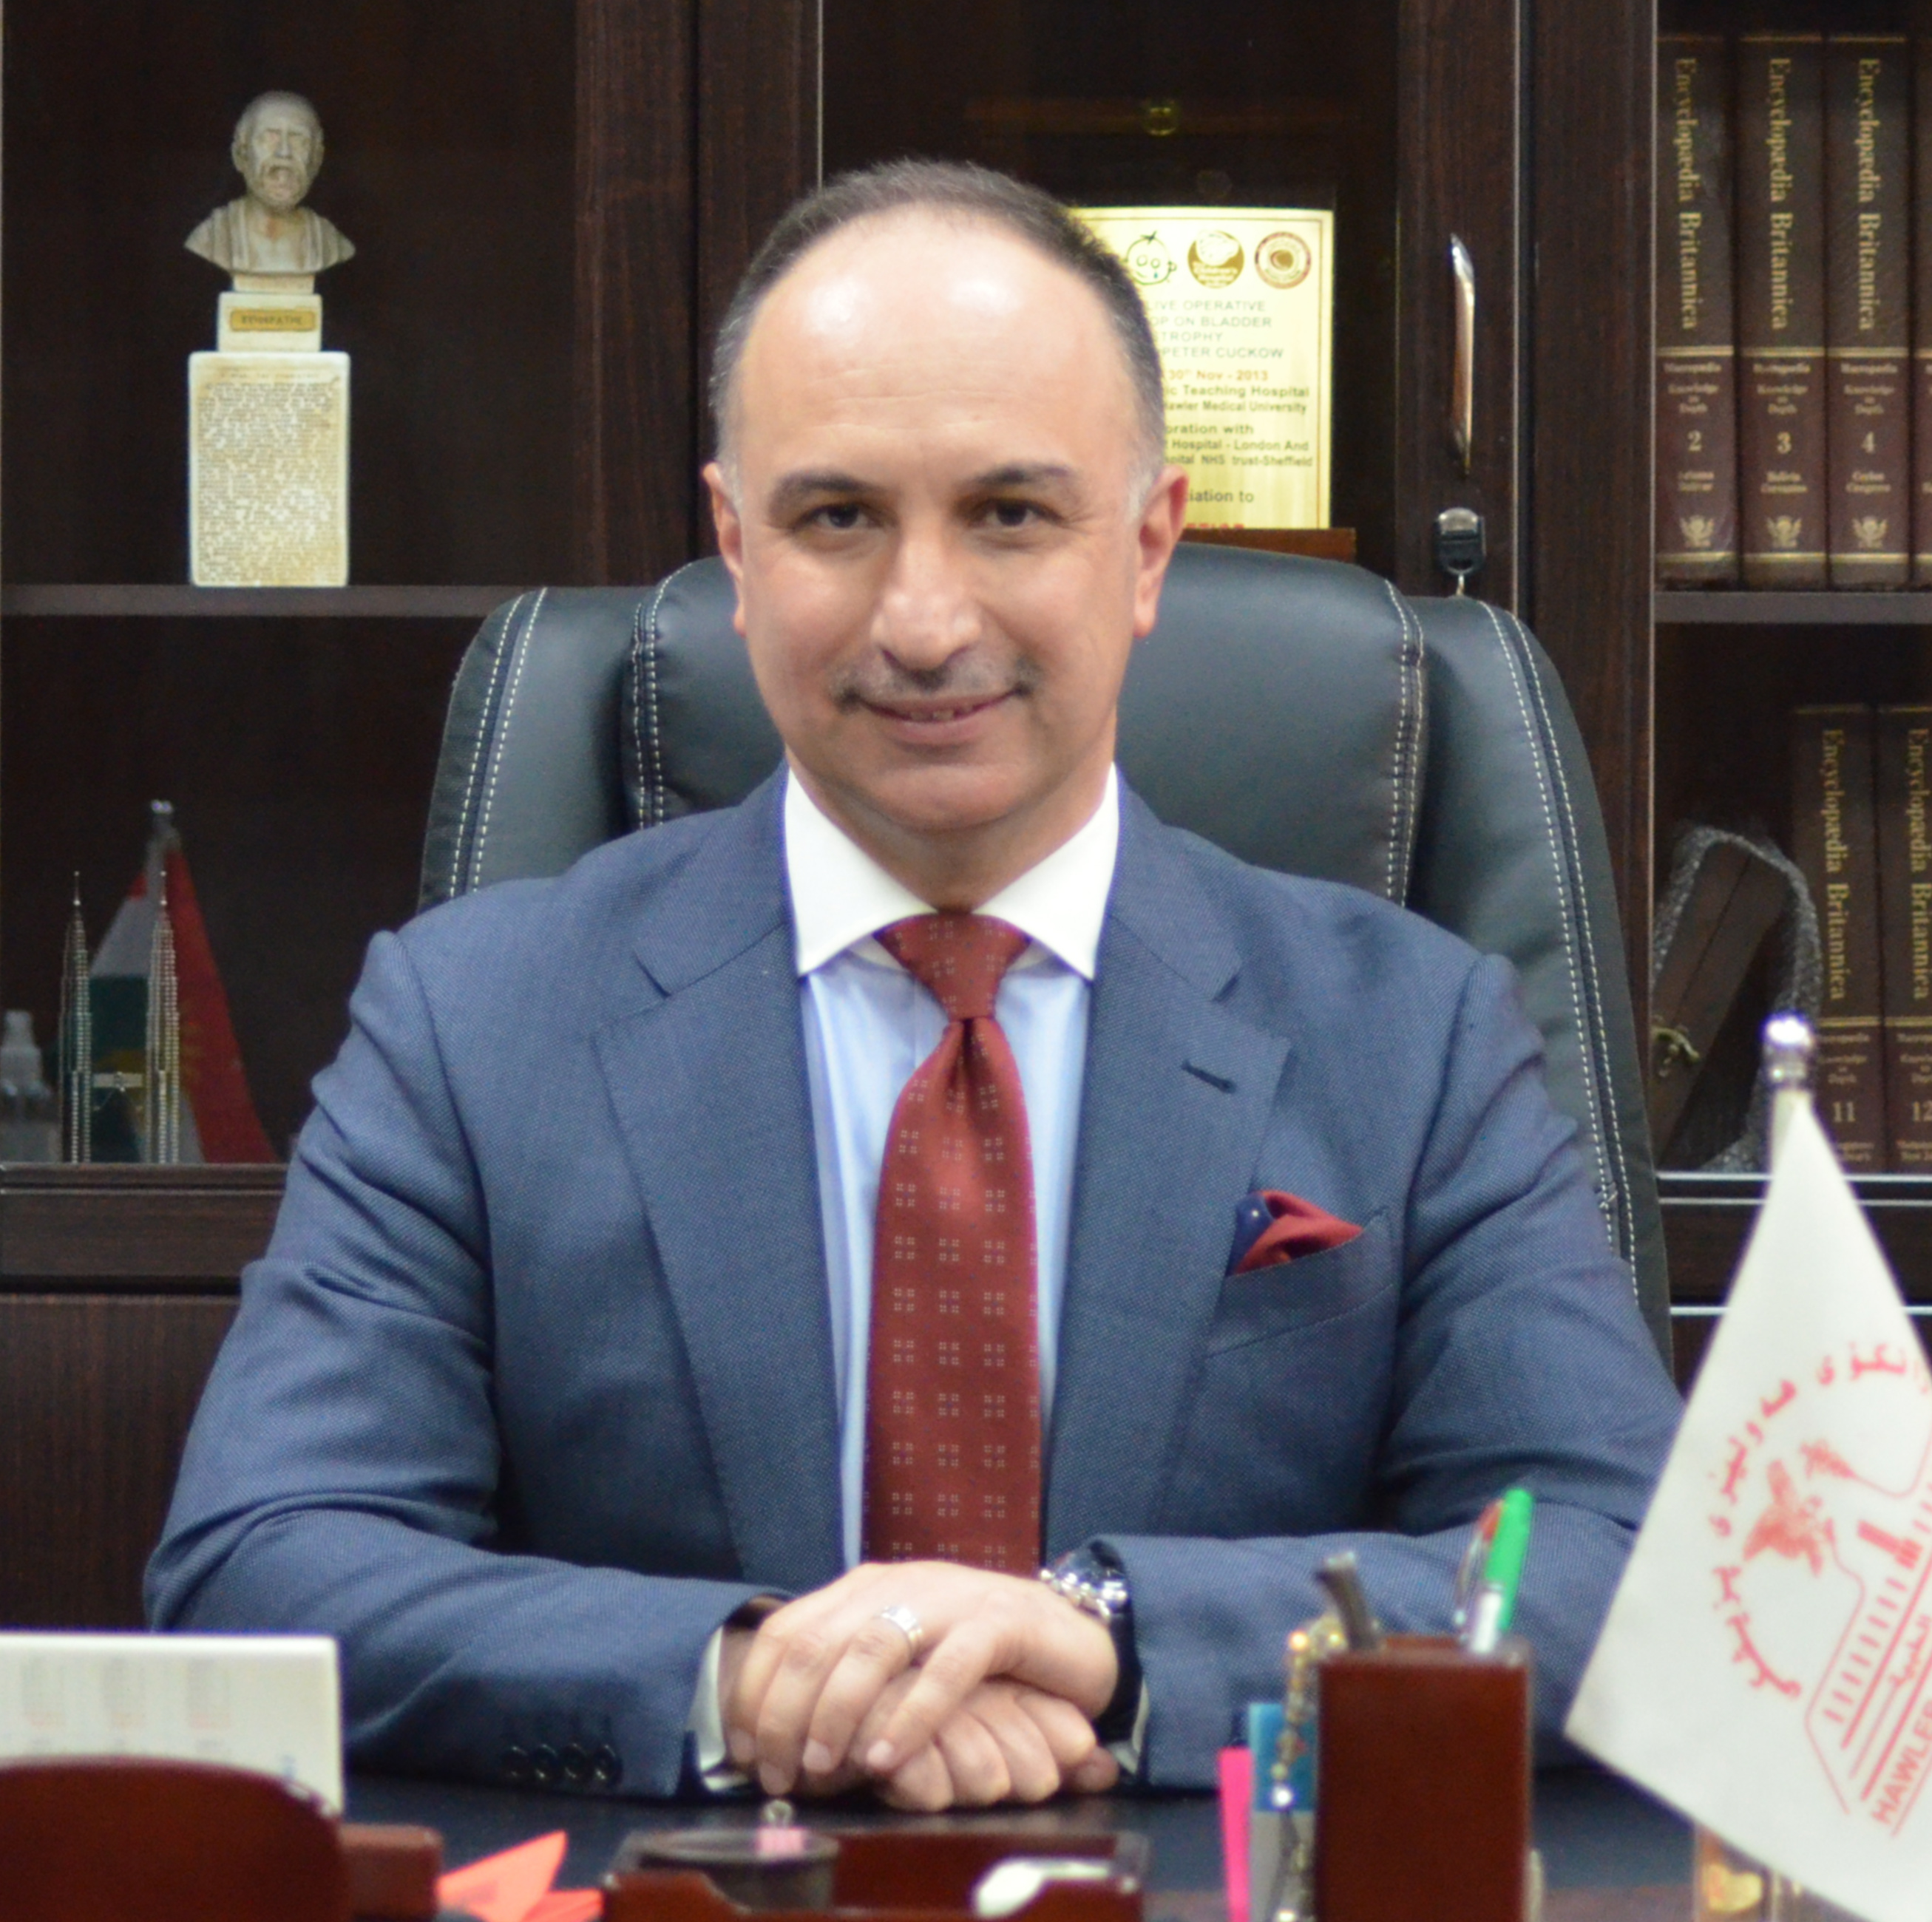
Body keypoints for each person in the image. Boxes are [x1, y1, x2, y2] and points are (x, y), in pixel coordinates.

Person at [148, 161, 1680, 1810]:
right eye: (837, 518)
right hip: (675, 1906)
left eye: (1010, 514)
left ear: (1147, 545)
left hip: (1199, 1907)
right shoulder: (471, 1022)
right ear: (736, 547)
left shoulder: (1412, 1034)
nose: (925, 621)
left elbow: (1619, 1571)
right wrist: (738, 1675)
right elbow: (264, 1560)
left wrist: (1112, 1638)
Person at [186, 92, 355, 281]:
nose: (284, 152)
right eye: (269, 137)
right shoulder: (212, 239)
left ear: (316, 160)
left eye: (298, 140)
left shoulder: (330, 245)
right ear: (241, 155)